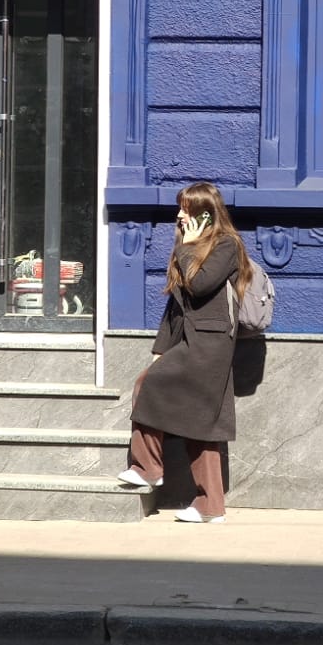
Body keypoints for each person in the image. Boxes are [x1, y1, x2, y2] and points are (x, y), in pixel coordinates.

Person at [117, 181, 248, 524]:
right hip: (188, 341)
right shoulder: (187, 247)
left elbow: (201, 285)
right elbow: (175, 308)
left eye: (186, 210)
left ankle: (148, 468)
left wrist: (186, 248)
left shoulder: (226, 245)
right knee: (199, 421)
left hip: (209, 344)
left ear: (205, 215)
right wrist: (161, 349)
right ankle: (210, 506)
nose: (178, 215)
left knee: (148, 385)